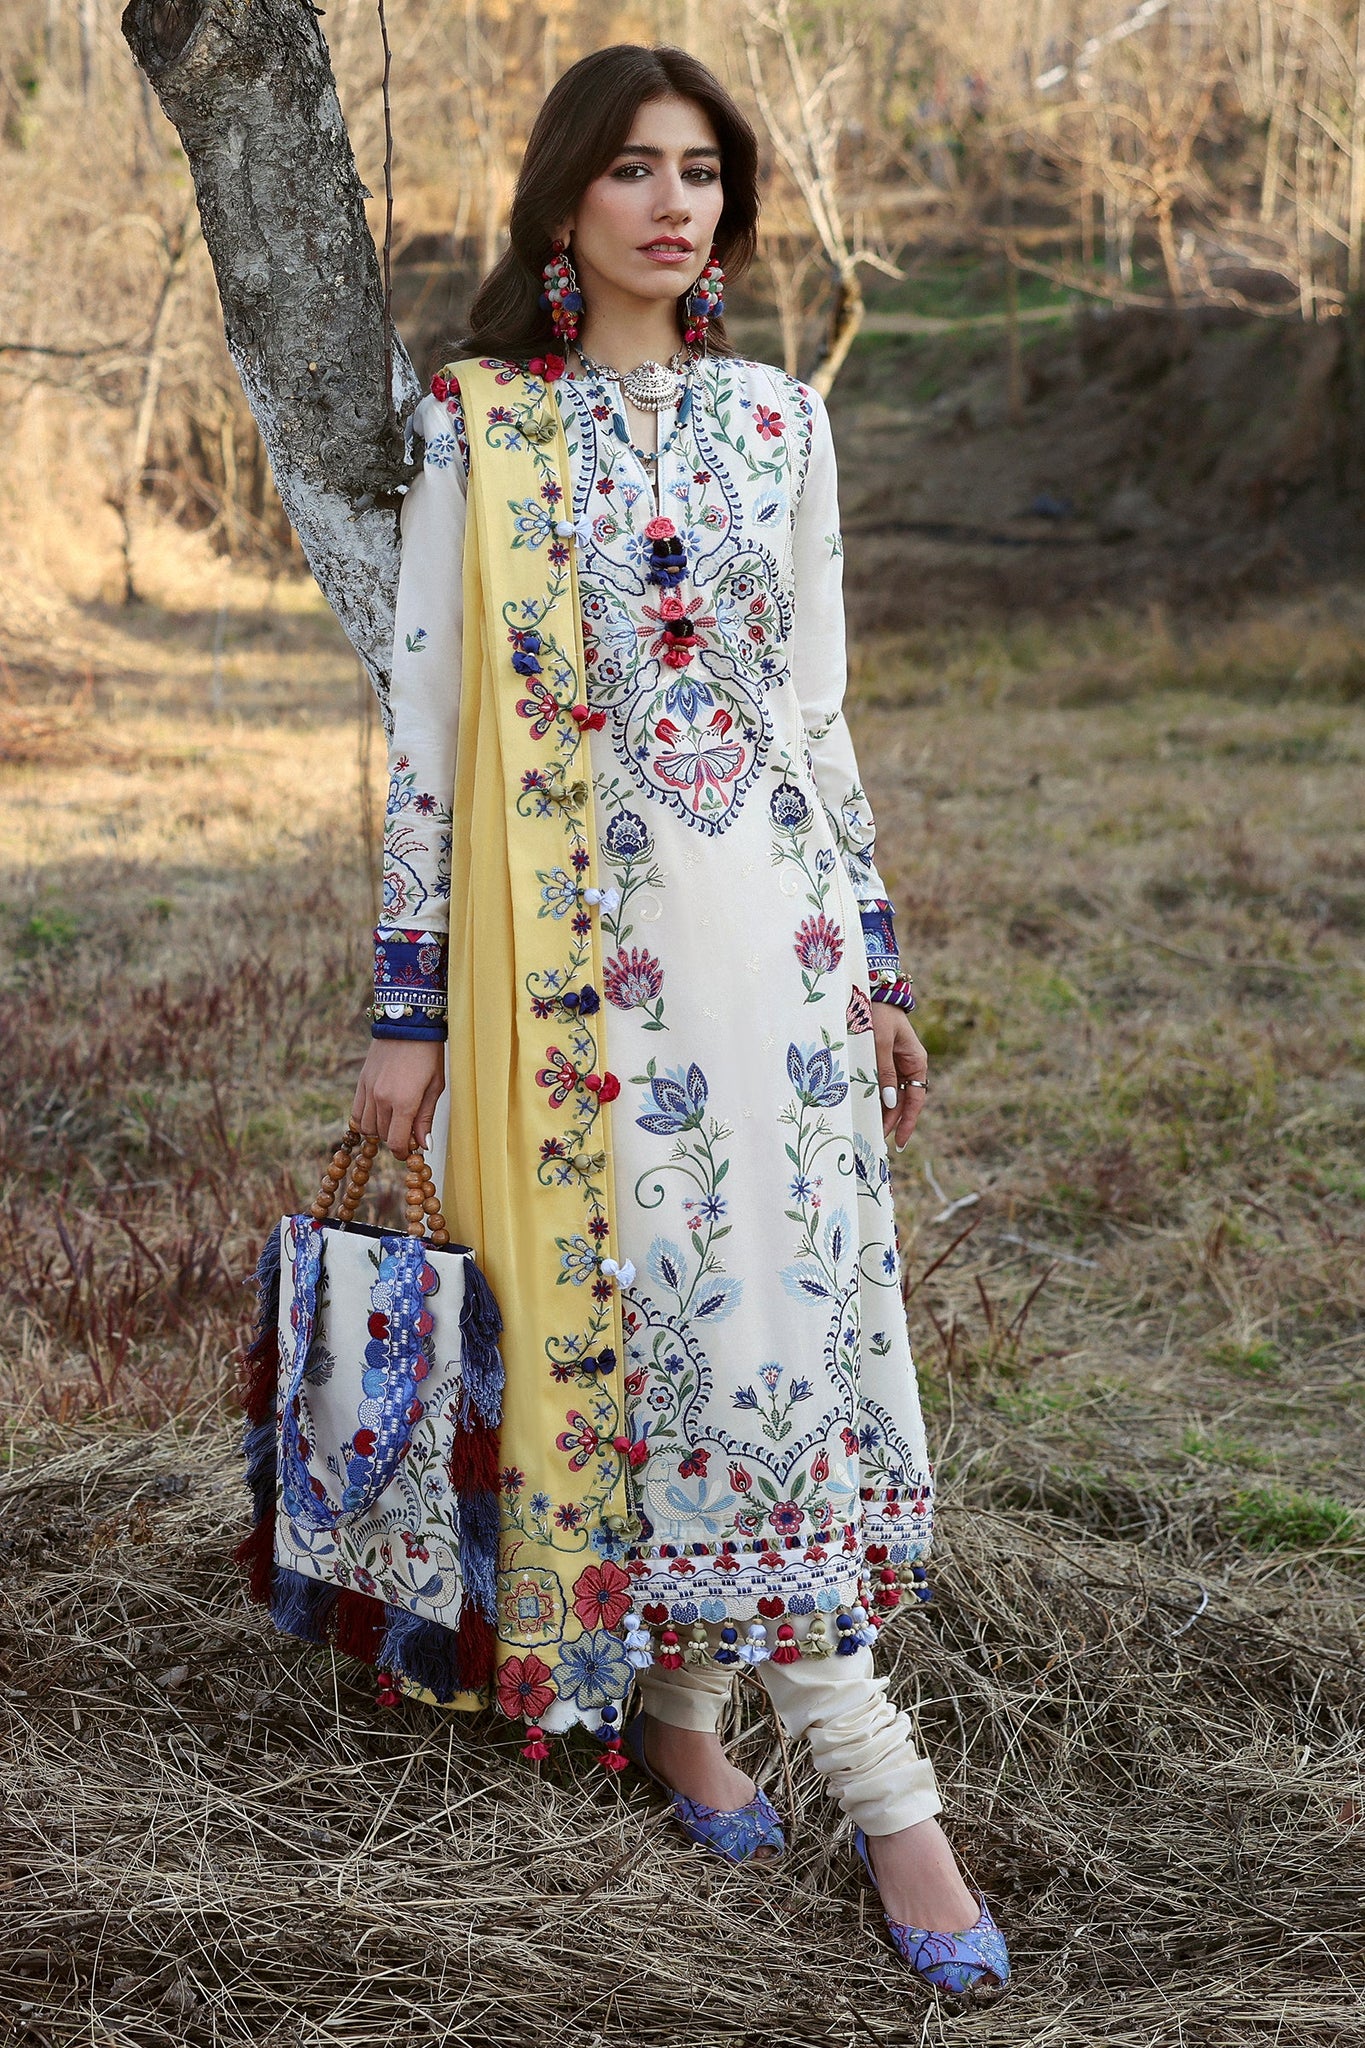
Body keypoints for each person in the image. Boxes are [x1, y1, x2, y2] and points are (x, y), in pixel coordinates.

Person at [351, 42, 1010, 2001]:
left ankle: (685, 1706)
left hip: (778, 965)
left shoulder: (779, 424)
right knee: (660, 1334)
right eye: (632, 169)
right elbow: (421, 736)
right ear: (565, 202)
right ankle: (890, 1801)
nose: (671, 203)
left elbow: (812, 719)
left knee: (773, 1329)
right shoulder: (479, 429)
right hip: (574, 988)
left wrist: (877, 970)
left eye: (701, 171)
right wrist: (408, 1008)